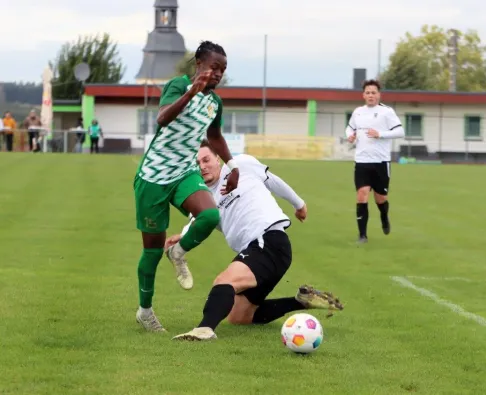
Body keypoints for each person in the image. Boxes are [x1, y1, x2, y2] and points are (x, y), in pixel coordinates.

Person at [167, 140, 343, 340]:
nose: (203, 166)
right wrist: (182, 237)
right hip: (258, 250)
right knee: (239, 316)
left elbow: (271, 180)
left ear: (217, 158)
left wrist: (299, 204)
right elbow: (195, 222)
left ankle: (204, 329)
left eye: (206, 159)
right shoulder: (203, 196)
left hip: (269, 241)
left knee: (225, 281)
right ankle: (301, 300)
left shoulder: (240, 164)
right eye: (197, 164)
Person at [134, 41, 239, 332]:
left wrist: (232, 165)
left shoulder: (214, 102)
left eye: (223, 70)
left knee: (210, 215)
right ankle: (145, 311)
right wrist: (192, 91)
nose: (218, 74)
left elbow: (215, 135)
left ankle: (178, 252)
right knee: (152, 252)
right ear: (199, 65)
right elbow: (163, 118)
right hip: (153, 177)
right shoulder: (177, 86)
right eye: (214, 67)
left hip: (184, 172)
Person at [345, 79, 405, 243]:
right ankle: (362, 235)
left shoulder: (387, 112)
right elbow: (350, 127)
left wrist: (381, 134)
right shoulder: (358, 112)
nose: (371, 95)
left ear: (379, 95)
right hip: (361, 161)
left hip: (381, 162)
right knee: (362, 195)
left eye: (374, 92)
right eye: (368, 92)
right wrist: (349, 135)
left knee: (380, 198)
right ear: (363, 95)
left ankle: (384, 216)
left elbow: (400, 131)